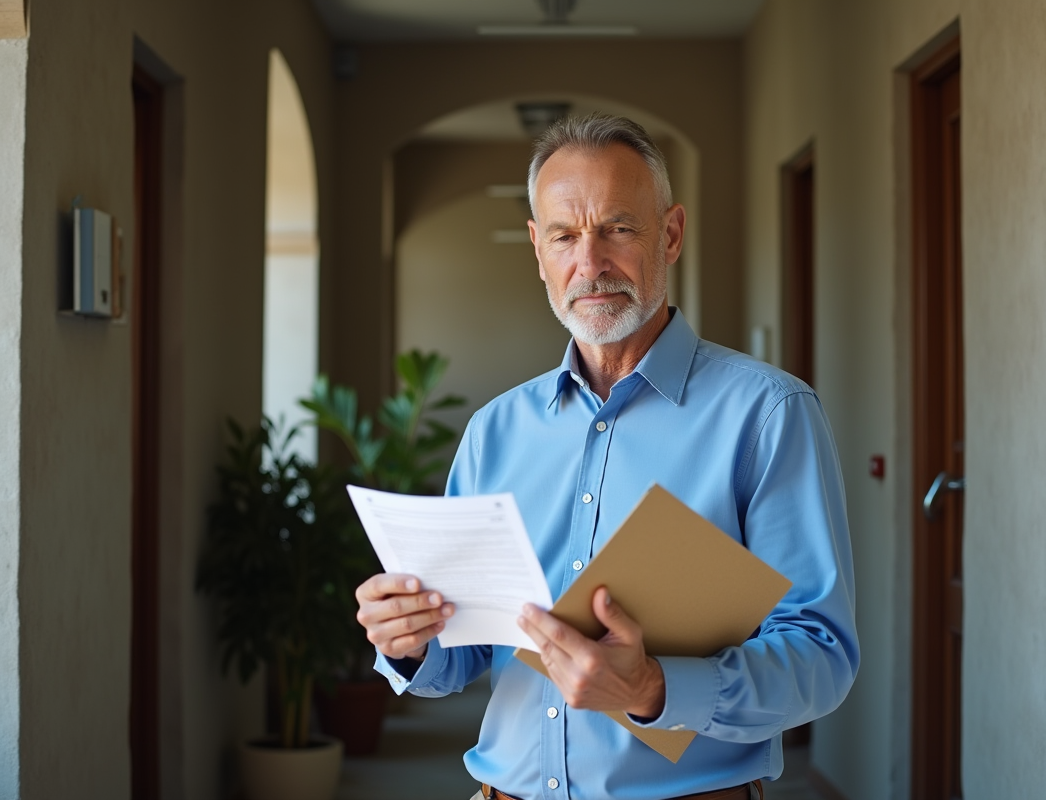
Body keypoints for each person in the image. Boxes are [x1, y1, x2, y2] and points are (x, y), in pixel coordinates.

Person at [356, 114, 859, 800]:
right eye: (564, 235)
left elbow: (821, 659)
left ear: (671, 233)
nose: (589, 264)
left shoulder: (768, 416)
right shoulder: (493, 431)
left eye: (618, 229)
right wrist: (408, 639)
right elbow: (464, 654)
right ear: (538, 250)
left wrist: (655, 687)